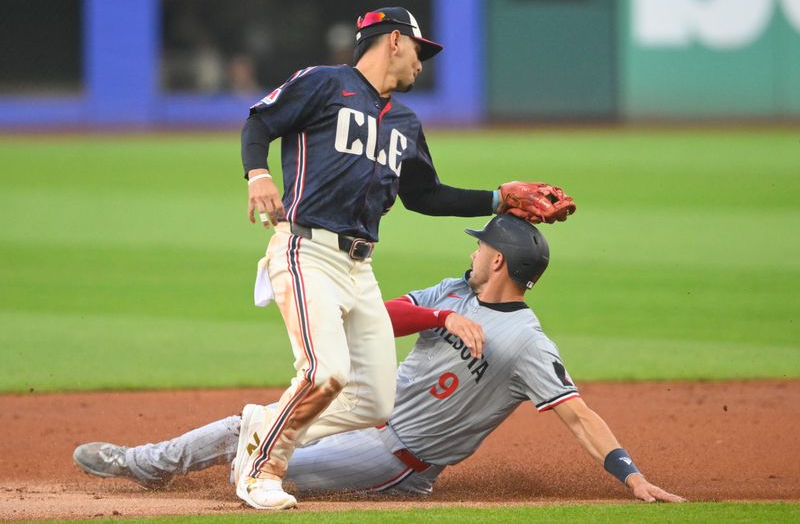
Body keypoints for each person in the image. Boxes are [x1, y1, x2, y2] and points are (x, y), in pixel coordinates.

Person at [74, 215, 683, 505]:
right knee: (257, 425)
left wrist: (633, 477)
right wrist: (443, 316)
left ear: (500, 262)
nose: (473, 253)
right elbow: (376, 320)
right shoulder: (452, 293)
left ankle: (153, 466)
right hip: (362, 414)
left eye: (483, 248)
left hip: (397, 457)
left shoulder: (527, 344)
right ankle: (143, 463)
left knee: (263, 460)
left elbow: (577, 414)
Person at [234, 4, 575, 510]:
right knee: (323, 372)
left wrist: (497, 199)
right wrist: (257, 174)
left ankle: (265, 425)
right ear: (393, 41)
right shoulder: (326, 83)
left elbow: (425, 196)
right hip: (306, 249)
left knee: (374, 397)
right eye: (420, 49)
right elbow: (260, 120)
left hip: (358, 266)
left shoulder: (406, 123)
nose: (423, 61)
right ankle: (261, 469)